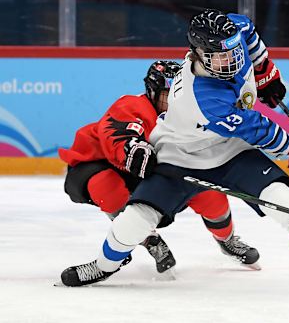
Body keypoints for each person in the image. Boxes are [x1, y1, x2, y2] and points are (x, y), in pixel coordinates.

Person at [61, 9, 289, 294]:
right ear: (199, 55)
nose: (232, 62)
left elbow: (249, 33)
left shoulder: (232, 33)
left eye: (234, 53)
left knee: (284, 201)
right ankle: (102, 267)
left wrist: (264, 73)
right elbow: (256, 128)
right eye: (221, 58)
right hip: (181, 158)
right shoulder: (203, 96)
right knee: (135, 219)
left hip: (230, 151)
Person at [58, 60, 259, 278]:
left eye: (179, 95)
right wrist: (132, 147)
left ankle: (227, 240)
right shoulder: (132, 105)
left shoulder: (191, 116)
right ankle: (146, 240)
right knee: (105, 185)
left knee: (209, 194)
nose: (174, 102)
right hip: (103, 164)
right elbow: (115, 134)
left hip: (152, 172)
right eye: (168, 94)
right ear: (153, 92)